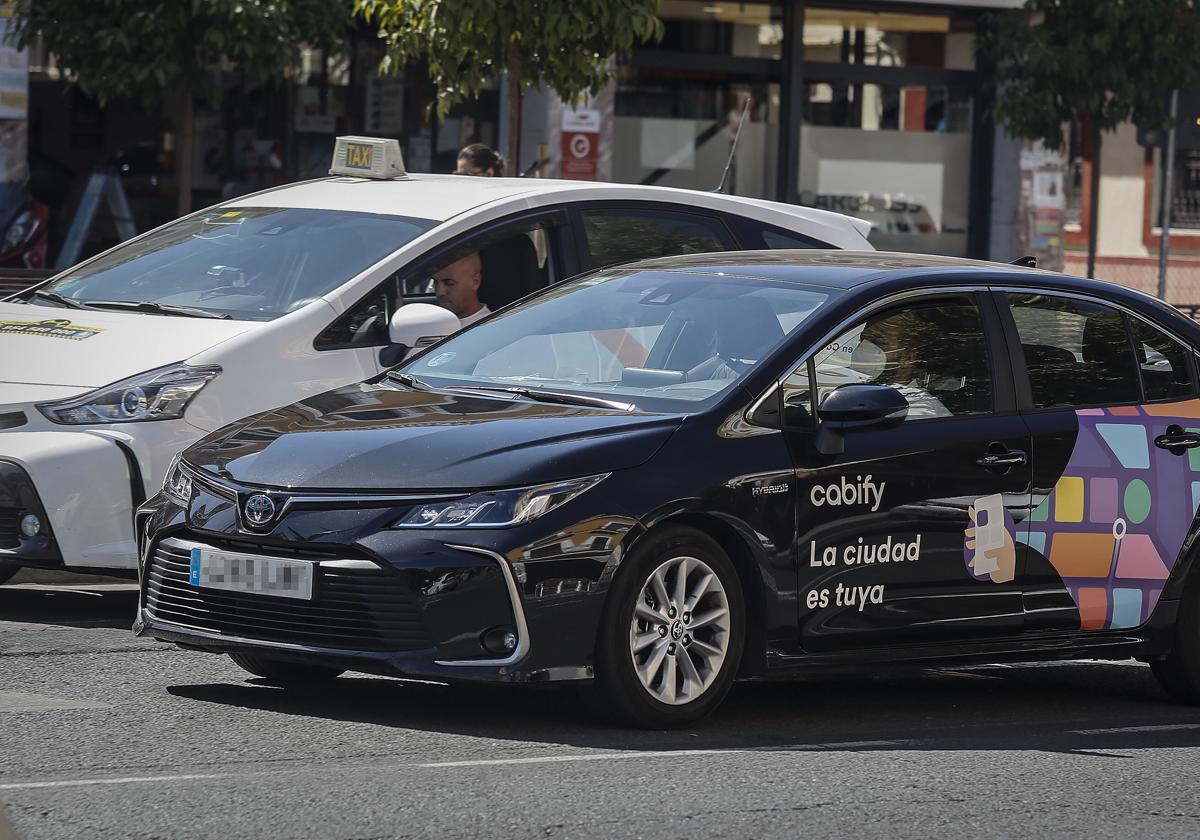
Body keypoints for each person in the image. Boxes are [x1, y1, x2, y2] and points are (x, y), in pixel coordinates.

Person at [434, 251, 490, 327]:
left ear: (475, 282)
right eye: (435, 282)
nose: (440, 292)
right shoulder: (434, 321)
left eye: (450, 283)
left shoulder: (489, 327)